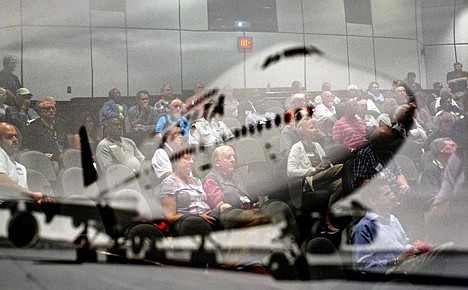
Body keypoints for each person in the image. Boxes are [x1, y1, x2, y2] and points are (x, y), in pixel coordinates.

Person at [351, 177, 450, 274]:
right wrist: (397, 260)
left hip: (407, 263)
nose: (393, 196)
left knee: (446, 254)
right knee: (446, 251)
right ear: (372, 201)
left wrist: (415, 248)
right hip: (392, 270)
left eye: (392, 192)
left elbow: (403, 244)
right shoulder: (363, 228)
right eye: (387, 194)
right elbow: (363, 267)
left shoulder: (392, 219)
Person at [159, 149, 269, 236]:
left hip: (207, 214)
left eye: (192, 159)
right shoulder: (170, 183)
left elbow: (205, 203)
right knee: (230, 212)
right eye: (186, 159)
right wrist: (199, 216)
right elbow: (170, 217)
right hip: (189, 221)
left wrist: (218, 206)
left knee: (226, 207)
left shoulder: (195, 180)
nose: (191, 162)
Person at [202, 145, 300, 240]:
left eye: (234, 156)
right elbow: (222, 207)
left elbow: (246, 197)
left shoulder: (236, 177)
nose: (233, 160)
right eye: (228, 157)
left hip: (247, 213)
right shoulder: (211, 181)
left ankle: (292, 244)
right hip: (232, 219)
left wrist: (254, 204)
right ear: (217, 162)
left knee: (277, 206)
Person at [287, 116, 343, 233]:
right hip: (308, 181)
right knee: (341, 167)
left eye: (316, 128)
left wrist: (329, 166)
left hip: (323, 180)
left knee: (341, 184)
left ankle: (328, 218)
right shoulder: (296, 148)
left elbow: (327, 164)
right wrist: (313, 170)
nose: (316, 130)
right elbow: (290, 171)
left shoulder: (317, 146)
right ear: (303, 131)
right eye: (312, 128)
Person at [0, 122, 50, 203]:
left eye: (15, 136)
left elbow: (23, 194)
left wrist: (37, 199)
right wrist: (31, 194)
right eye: (9, 137)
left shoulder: (21, 168)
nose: (15, 140)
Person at [352, 127, 410, 192]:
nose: (388, 145)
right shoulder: (364, 155)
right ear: (374, 141)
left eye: (389, 142)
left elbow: (399, 174)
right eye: (385, 142)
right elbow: (362, 182)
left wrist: (405, 185)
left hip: (395, 190)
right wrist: (382, 187)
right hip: (377, 192)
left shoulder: (389, 154)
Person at [22, 97, 67, 161]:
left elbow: (66, 145)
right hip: (44, 161)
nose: (51, 111)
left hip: (62, 159)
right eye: (47, 108)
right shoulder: (32, 128)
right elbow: (26, 149)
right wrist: (41, 155)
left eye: (53, 108)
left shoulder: (61, 125)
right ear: (40, 111)